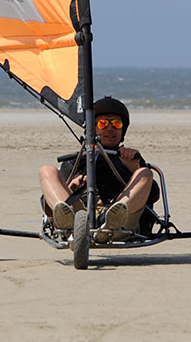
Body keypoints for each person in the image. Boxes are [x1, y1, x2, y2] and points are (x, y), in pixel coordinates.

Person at [38, 97, 158, 241]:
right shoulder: (75, 161)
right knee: (46, 170)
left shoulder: (131, 159)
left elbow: (153, 196)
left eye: (116, 124)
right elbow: (48, 201)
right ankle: (68, 221)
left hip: (118, 219)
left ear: (123, 129)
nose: (110, 128)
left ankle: (110, 224)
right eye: (103, 123)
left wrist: (134, 169)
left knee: (145, 173)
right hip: (77, 216)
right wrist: (71, 187)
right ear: (92, 128)